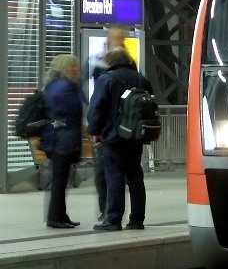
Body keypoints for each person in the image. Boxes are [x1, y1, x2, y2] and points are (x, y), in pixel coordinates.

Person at [88, 47, 154, 231]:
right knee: (135, 175)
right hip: (136, 135)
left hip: (114, 136)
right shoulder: (142, 79)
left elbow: (97, 108)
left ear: (110, 62)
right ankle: (137, 219)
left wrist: (95, 131)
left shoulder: (107, 79)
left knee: (115, 175)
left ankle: (113, 220)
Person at [39, 54, 85, 229]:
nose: (75, 70)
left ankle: (60, 215)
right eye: (72, 67)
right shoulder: (64, 87)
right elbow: (67, 114)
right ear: (64, 68)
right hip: (62, 139)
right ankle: (55, 218)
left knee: (61, 178)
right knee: (59, 180)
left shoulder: (53, 86)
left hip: (57, 137)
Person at [90, 25, 128, 220]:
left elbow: (98, 101)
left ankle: (112, 213)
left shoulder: (126, 62)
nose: (118, 40)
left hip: (114, 128)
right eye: (115, 37)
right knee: (107, 173)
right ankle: (107, 208)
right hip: (116, 126)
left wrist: (95, 128)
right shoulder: (102, 63)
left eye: (120, 37)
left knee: (114, 172)